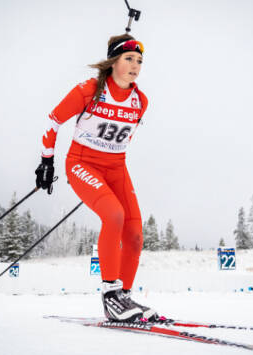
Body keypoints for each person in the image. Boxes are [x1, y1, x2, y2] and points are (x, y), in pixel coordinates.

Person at [35, 34, 159, 322]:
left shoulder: (141, 101)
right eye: (128, 58)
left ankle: (124, 297)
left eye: (139, 60)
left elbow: (120, 139)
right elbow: (53, 120)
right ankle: (110, 295)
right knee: (113, 215)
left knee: (135, 234)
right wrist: (46, 161)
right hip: (82, 164)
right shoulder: (88, 90)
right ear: (113, 61)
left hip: (116, 167)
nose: (135, 65)